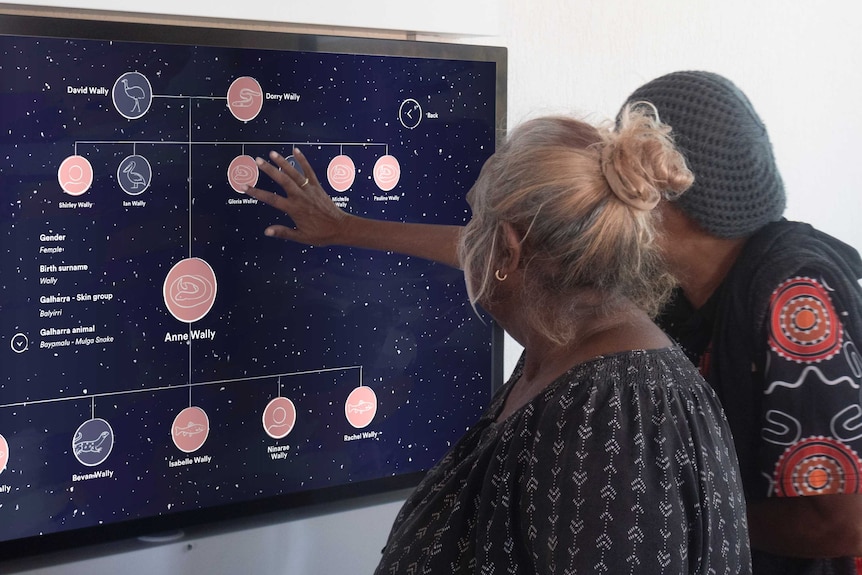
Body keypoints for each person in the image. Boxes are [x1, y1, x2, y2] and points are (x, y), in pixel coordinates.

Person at [243, 108, 751, 573]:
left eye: (474, 222)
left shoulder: (609, 417)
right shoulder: (571, 344)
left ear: (508, 252)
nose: (464, 240)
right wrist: (345, 228)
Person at [621, 71, 862, 575]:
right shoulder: (682, 291)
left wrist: (667, 515)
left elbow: (842, 523)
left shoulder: (795, 294)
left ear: (664, 189)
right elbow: (530, 270)